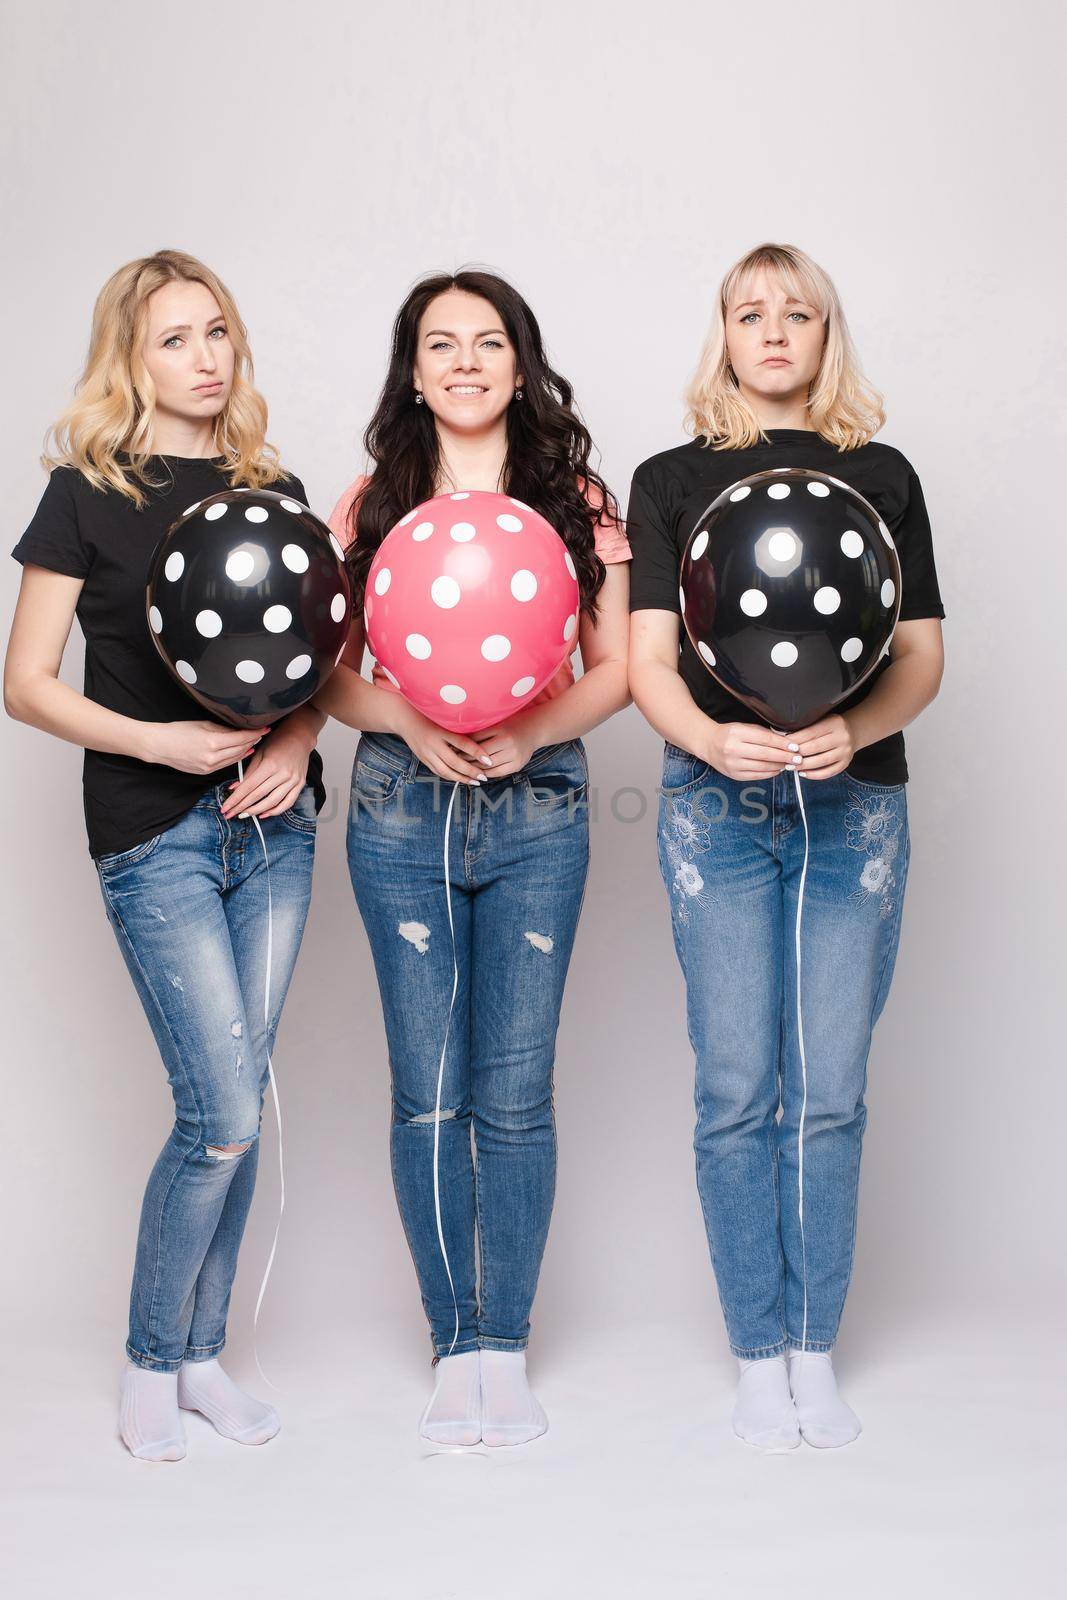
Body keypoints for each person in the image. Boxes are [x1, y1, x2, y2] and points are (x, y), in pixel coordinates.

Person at [4, 250, 325, 1461]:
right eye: (176, 339)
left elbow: (314, 665)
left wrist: (295, 738)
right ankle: (152, 1361)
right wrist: (157, 740)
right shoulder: (82, 491)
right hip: (153, 831)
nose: (204, 358)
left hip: (276, 830)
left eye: (218, 333)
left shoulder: (272, 483)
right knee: (224, 1110)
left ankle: (202, 1360)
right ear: (129, 360)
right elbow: (23, 685)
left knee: (238, 1092)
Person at [626, 242, 945, 1451]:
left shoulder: (882, 473)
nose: (772, 332)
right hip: (717, 807)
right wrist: (713, 743)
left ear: (825, 336)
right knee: (732, 1087)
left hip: (853, 805)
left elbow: (916, 654)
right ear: (721, 334)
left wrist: (851, 728)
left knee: (827, 1090)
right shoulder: (667, 479)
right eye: (748, 313)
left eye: (795, 313)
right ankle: (756, 1356)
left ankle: (815, 1348)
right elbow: (648, 661)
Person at [315, 269, 631, 1447]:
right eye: (438, 344)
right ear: (410, 368)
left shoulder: (574, 497)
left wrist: (529, 730)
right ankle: (454, 1344)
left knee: (513, 1091)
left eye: (486, 342)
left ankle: (509, 1342)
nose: (462, 361)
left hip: (538, 799)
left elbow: (615, 669)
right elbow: (327, 671)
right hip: (400, 805)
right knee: (428, 1091)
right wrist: (405, 721)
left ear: (518, 359)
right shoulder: (370, 501)